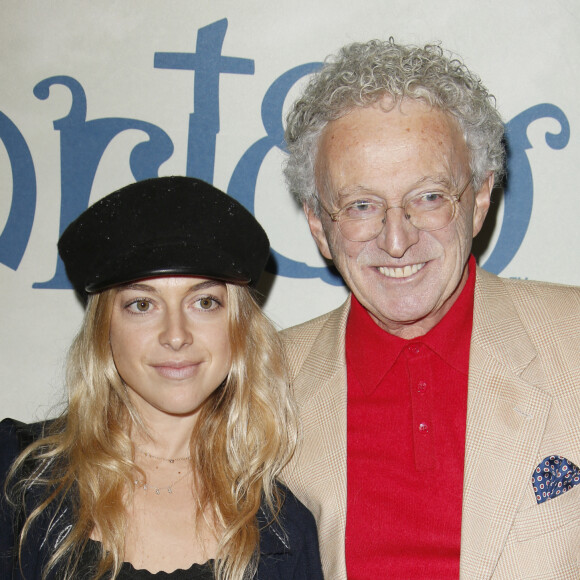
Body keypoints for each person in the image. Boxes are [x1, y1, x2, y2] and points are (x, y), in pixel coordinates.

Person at [280, 38, 580, 579]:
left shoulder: (573, 339)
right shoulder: (261, 382)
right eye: (361, 205)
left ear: (481, 197)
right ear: (319, 225)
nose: (396, 240)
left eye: (429, 197)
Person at [0, 176, 323, 580]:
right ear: (105, 329)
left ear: (238, 327)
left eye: (204, 302)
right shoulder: (20, 476)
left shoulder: (283, 531)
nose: (175, 335)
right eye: (142, 304)